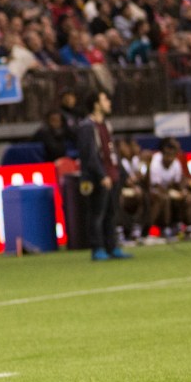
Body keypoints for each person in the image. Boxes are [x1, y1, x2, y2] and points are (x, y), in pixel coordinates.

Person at [76, 90, 133, 261]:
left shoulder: (106, 125)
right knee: (96, 213)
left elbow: (112, 152)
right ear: (96, 104)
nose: (108, 102)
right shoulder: (87, 127)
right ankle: (97, 247)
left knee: (111, 213)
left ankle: (112, 246)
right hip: (97, 178)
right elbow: (90, 155)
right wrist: (101, 175)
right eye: (104, 99)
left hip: (112, 174)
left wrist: (123, 173)